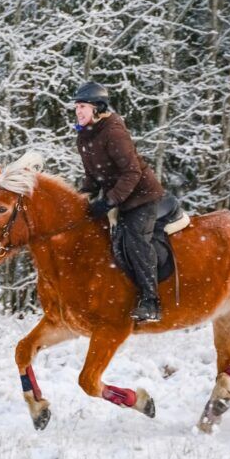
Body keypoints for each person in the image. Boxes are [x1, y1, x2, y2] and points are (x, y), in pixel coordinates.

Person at [73, 82, 165, 323]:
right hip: (120, 198)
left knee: (134, 239)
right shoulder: (84, 136)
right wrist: (82, 198)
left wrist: (110, 201)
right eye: (76, 107)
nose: (78, 112)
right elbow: (92, 175)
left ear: (97, 108)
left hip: (142, 197)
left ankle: (150, 301)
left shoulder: (114, 131)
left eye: (83, 106)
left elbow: (132, 173)